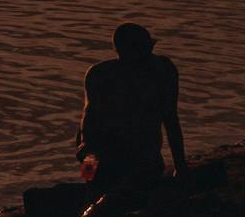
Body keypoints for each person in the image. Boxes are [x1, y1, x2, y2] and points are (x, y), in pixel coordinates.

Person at [76, 23, 186, 192]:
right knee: (88, 144)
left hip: (145, 160)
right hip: (111, 158)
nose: (149, 53)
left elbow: (171, 121)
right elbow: (88, 130)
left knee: (90, 145)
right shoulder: (100, 74)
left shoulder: (162, 70)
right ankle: (91, 185)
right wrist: (89, 175)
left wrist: (181, 167)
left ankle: (94, 185)